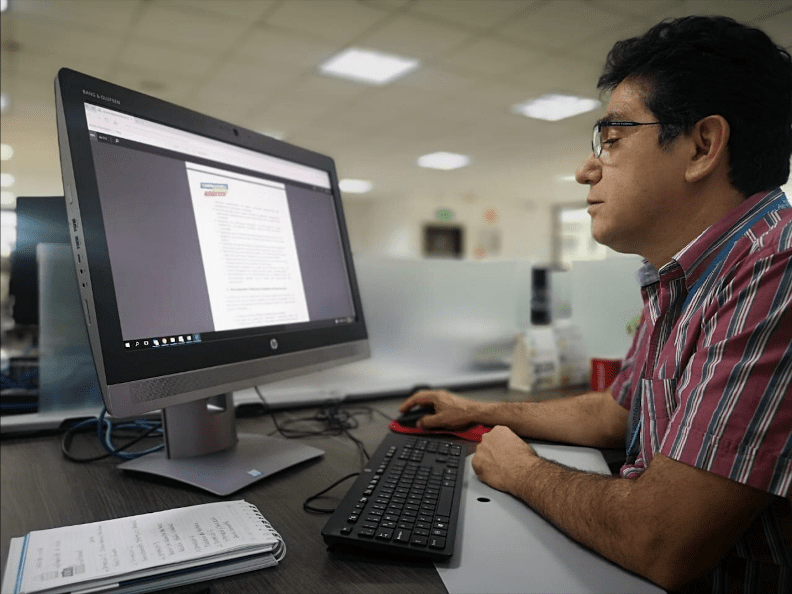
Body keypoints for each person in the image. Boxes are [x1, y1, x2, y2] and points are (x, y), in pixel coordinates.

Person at [400, 16, 791, 594]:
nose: (587, 169)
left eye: (611, 140)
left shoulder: (774, 270)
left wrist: (521, 470)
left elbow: (660, 540)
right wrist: (476, 409)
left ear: (703, 146)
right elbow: (615, 414)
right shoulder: (682, 277)